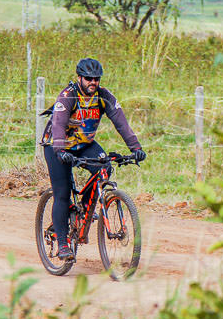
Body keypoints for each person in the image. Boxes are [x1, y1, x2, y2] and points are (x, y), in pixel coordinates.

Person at [40, 58, 146, 260]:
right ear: (79, 77)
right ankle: (63, 243)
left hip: (84, 143)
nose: (93, 82)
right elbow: (59, 124)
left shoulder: (103, 96)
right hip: (57, 145)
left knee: (105, 167)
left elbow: (121, 123)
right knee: (62, 193)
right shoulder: (68, 96)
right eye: (88, 78)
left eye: (96, 79)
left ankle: (84, 209)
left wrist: (136, 148)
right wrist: (61, 150)